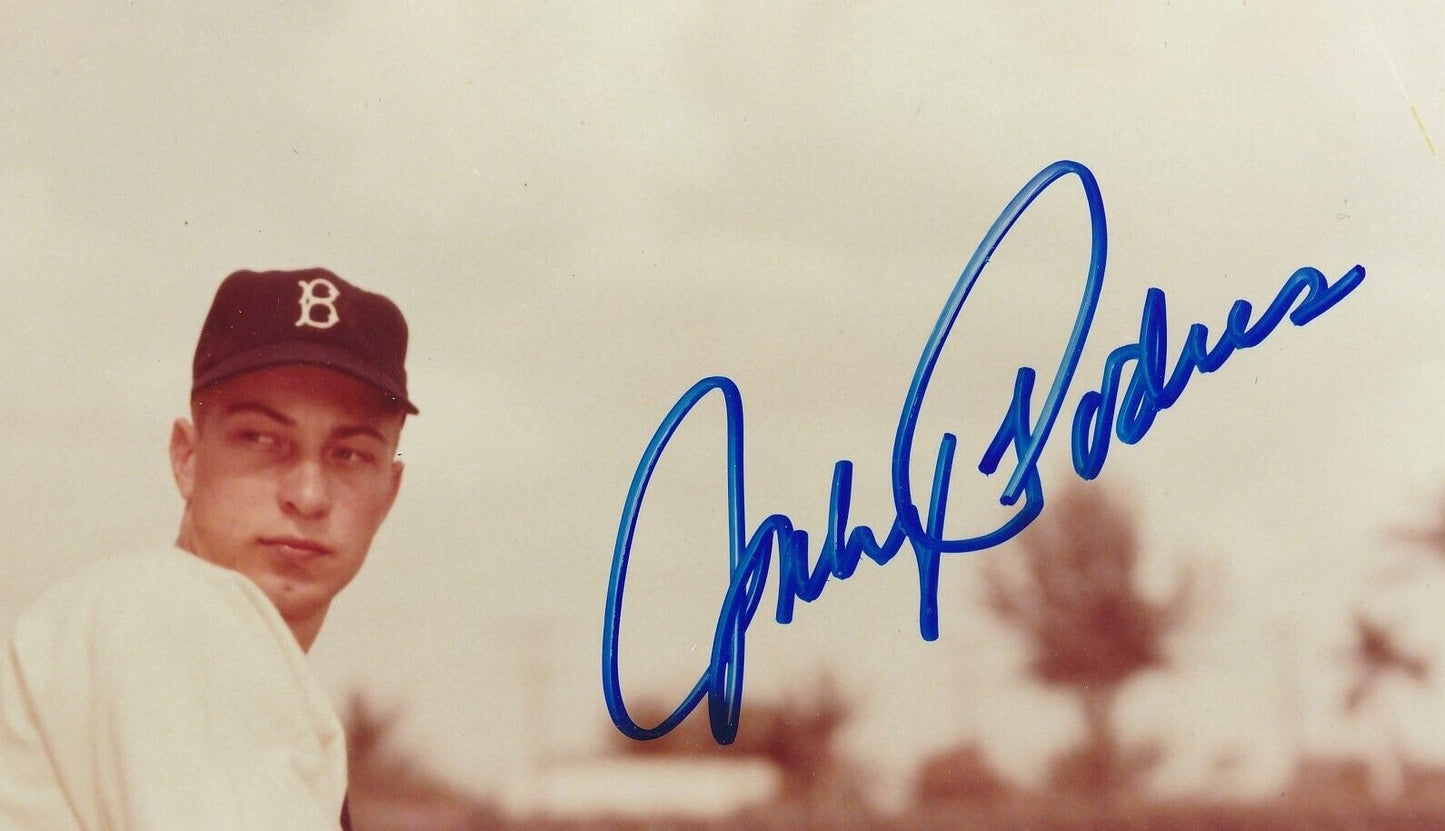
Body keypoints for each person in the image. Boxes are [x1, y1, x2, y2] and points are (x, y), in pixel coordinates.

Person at [0, 268, 419, 830]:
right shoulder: (173, 607)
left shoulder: (120, 621)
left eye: (349, 455)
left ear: (387, 495)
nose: (308, 495)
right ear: (188, 458)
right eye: (263, 439)